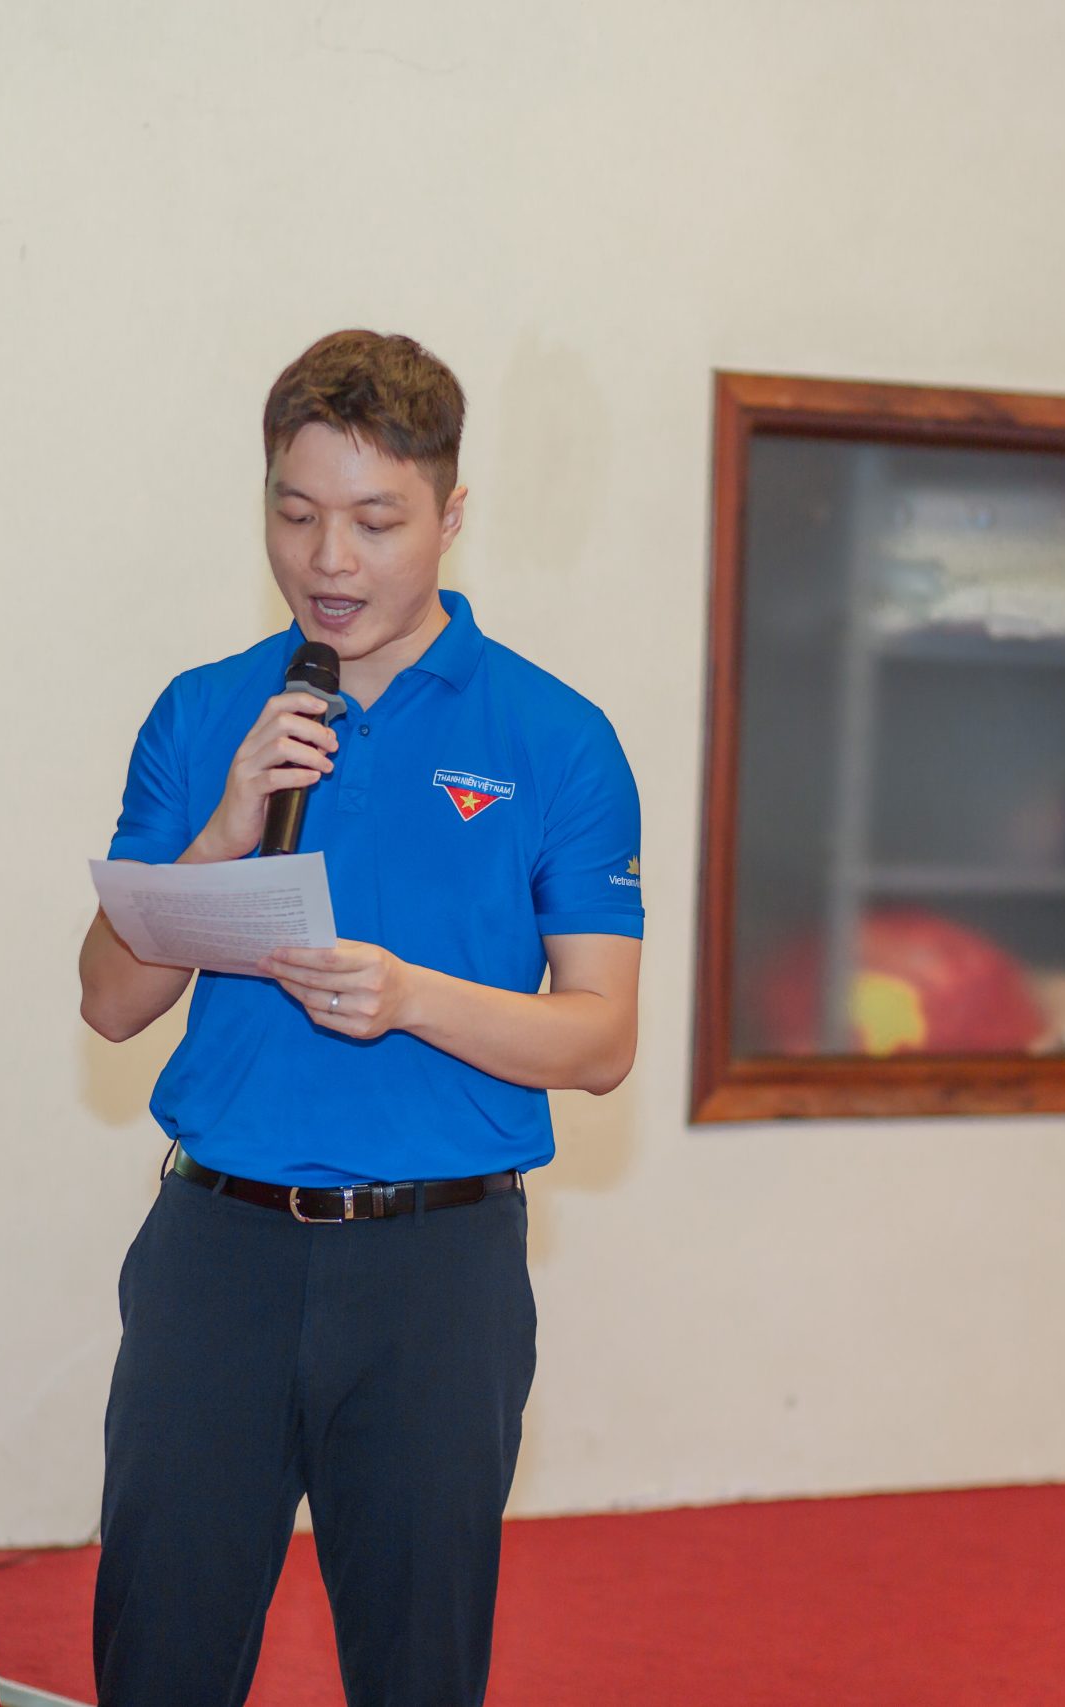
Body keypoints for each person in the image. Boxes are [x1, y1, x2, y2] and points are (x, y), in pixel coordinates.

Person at [78, 329, 644, 1707]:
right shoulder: (207, 711)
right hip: (215, 1252)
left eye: (376, 522)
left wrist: (412, 1000)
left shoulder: (556, 737)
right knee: (158, 1658)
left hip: (436, 1271)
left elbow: (601, 1040)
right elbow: (108, 1000)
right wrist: (221, 830)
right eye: (295, 514)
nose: (329, 560)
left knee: (416, 1671)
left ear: (450, 516)